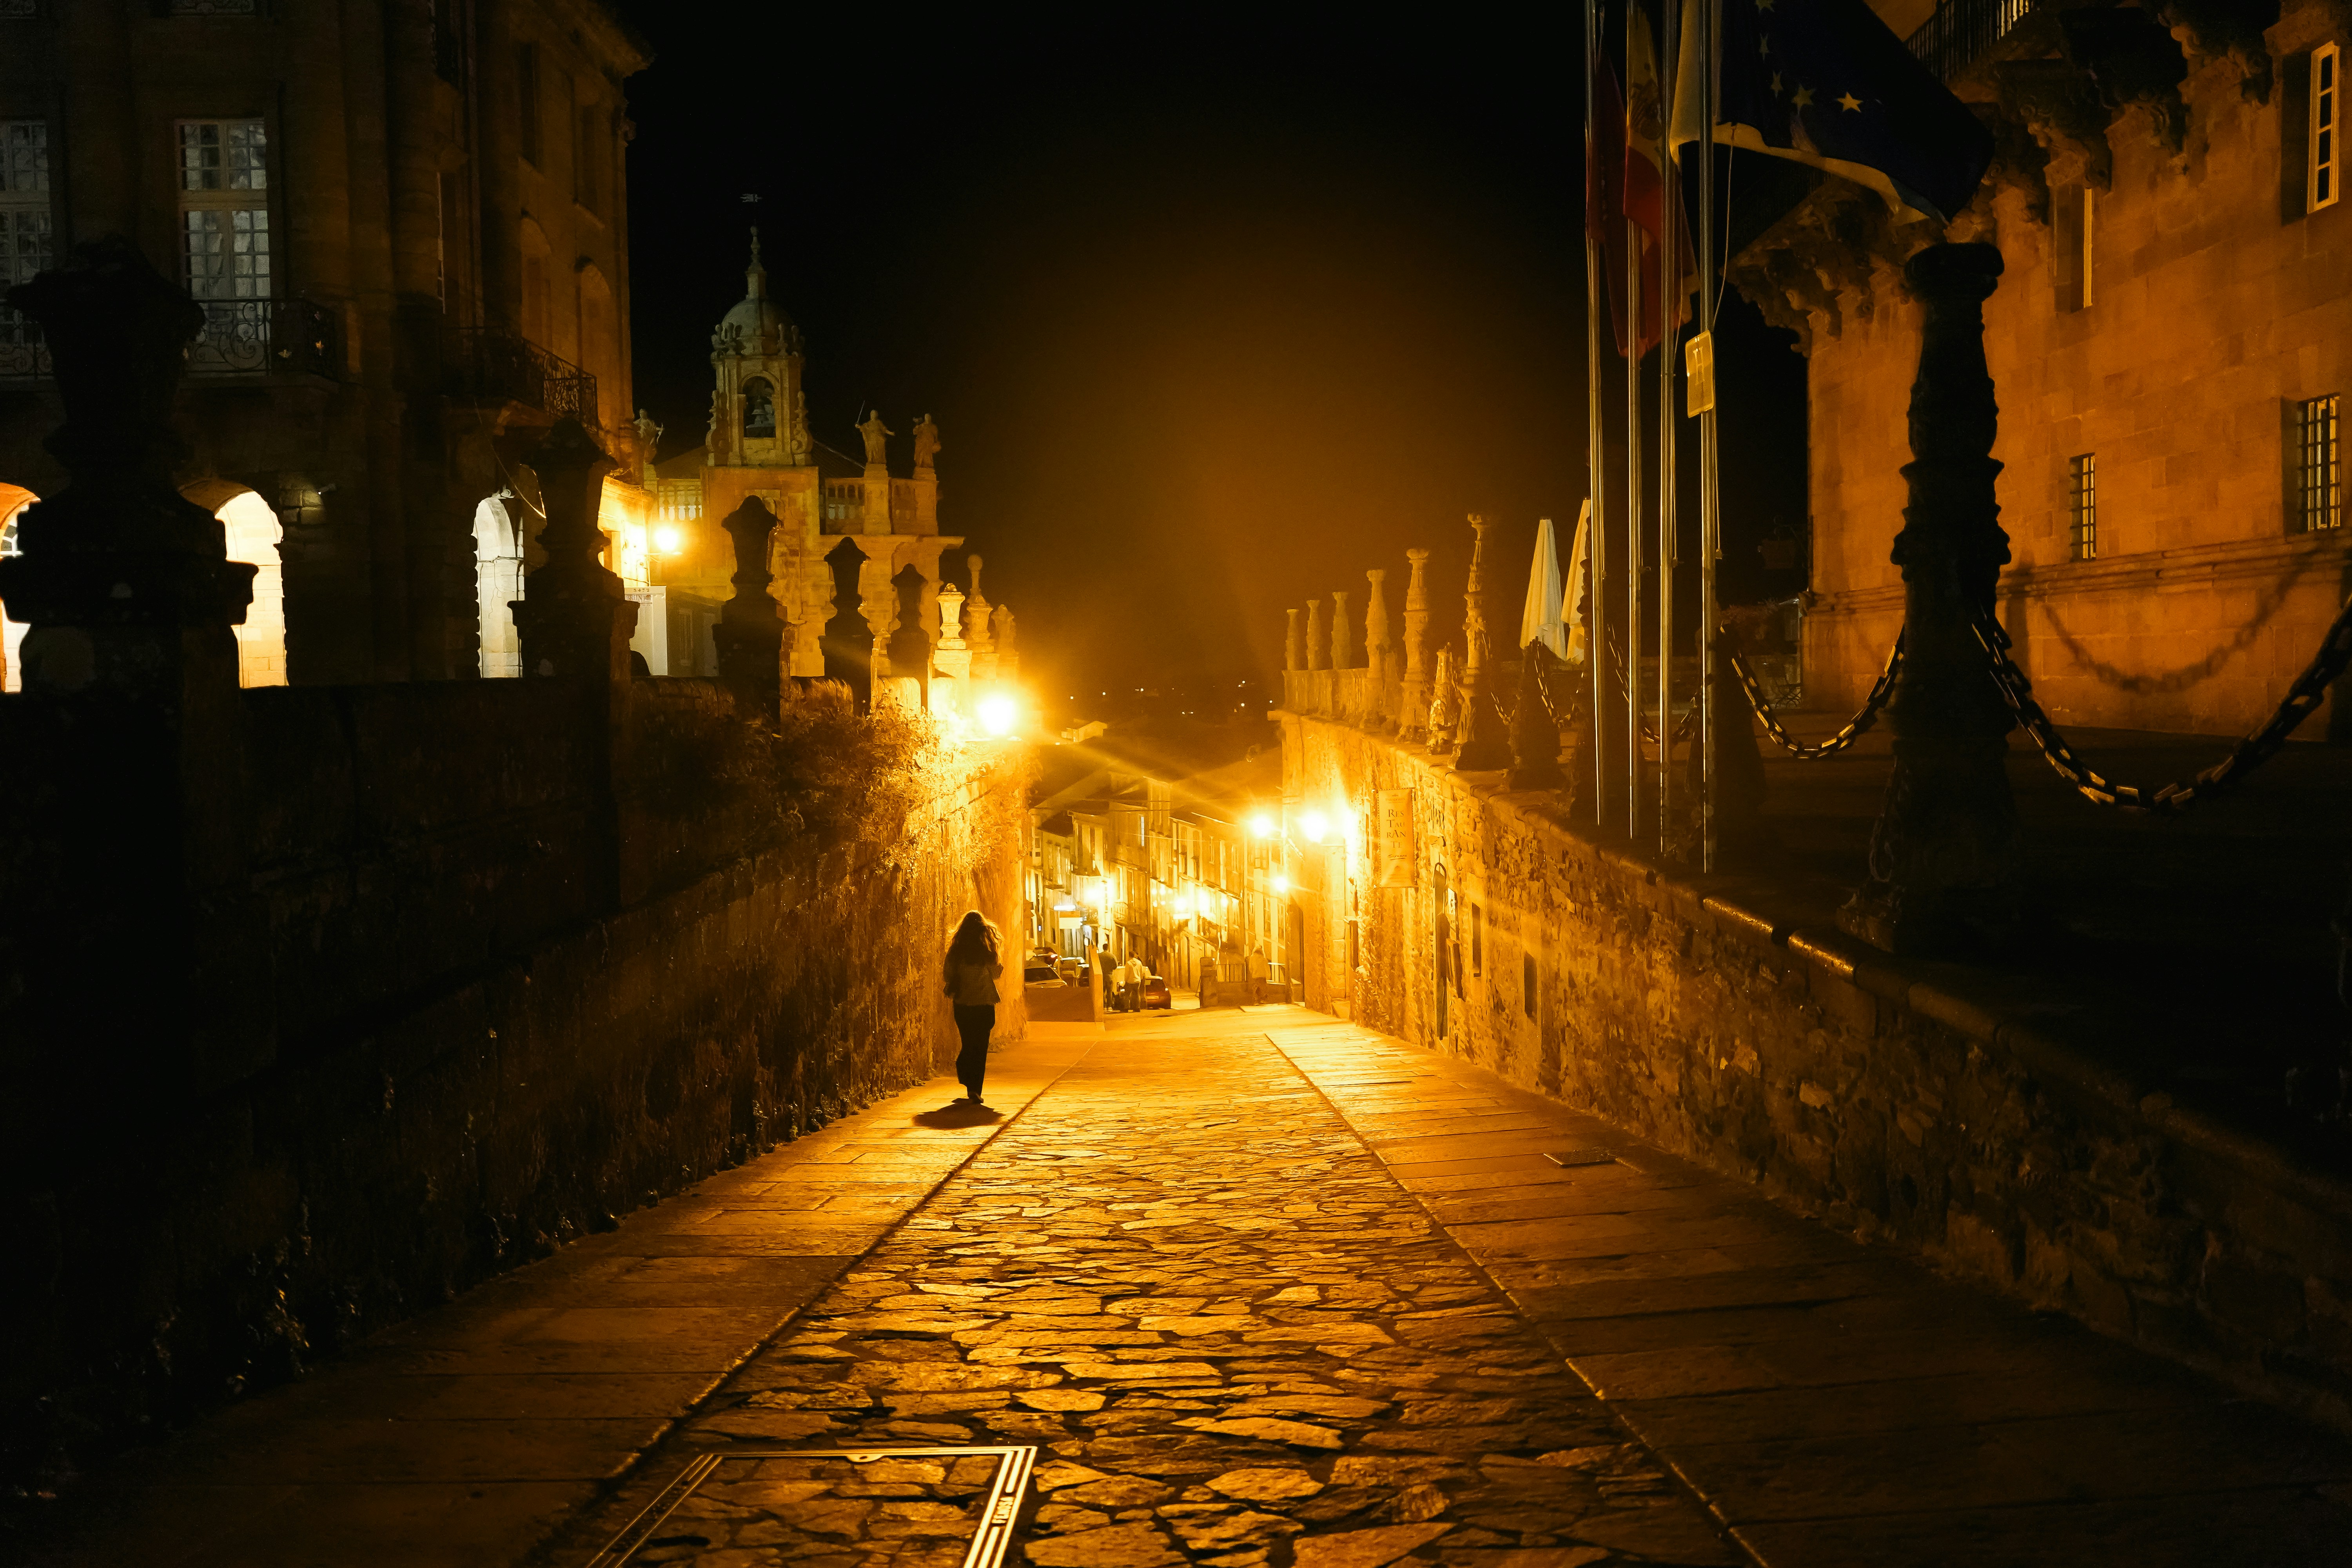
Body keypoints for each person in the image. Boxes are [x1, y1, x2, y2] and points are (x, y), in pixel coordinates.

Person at [941, 910, 1003, 1103]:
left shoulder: (955, 953)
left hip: (963, 1004)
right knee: (981, 1046)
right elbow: (996, 973)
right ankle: (976, 1089)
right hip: (985, 1005)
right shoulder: (987, 952)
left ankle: (967, 1078)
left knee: (968, 1043)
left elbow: (947, 975)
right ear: (983, 930)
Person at [1247, 941, 1270, 1005]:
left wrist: (1252, 973)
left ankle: (1256, 1001)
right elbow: (1267, 968)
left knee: (1256, 988)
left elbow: (1250, 968)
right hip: (1263, 976)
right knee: (1263, 988)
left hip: (1255, 976)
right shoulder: (1264, 958)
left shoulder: (1252, 957)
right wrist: (1268, 976)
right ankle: (1263, 1000)